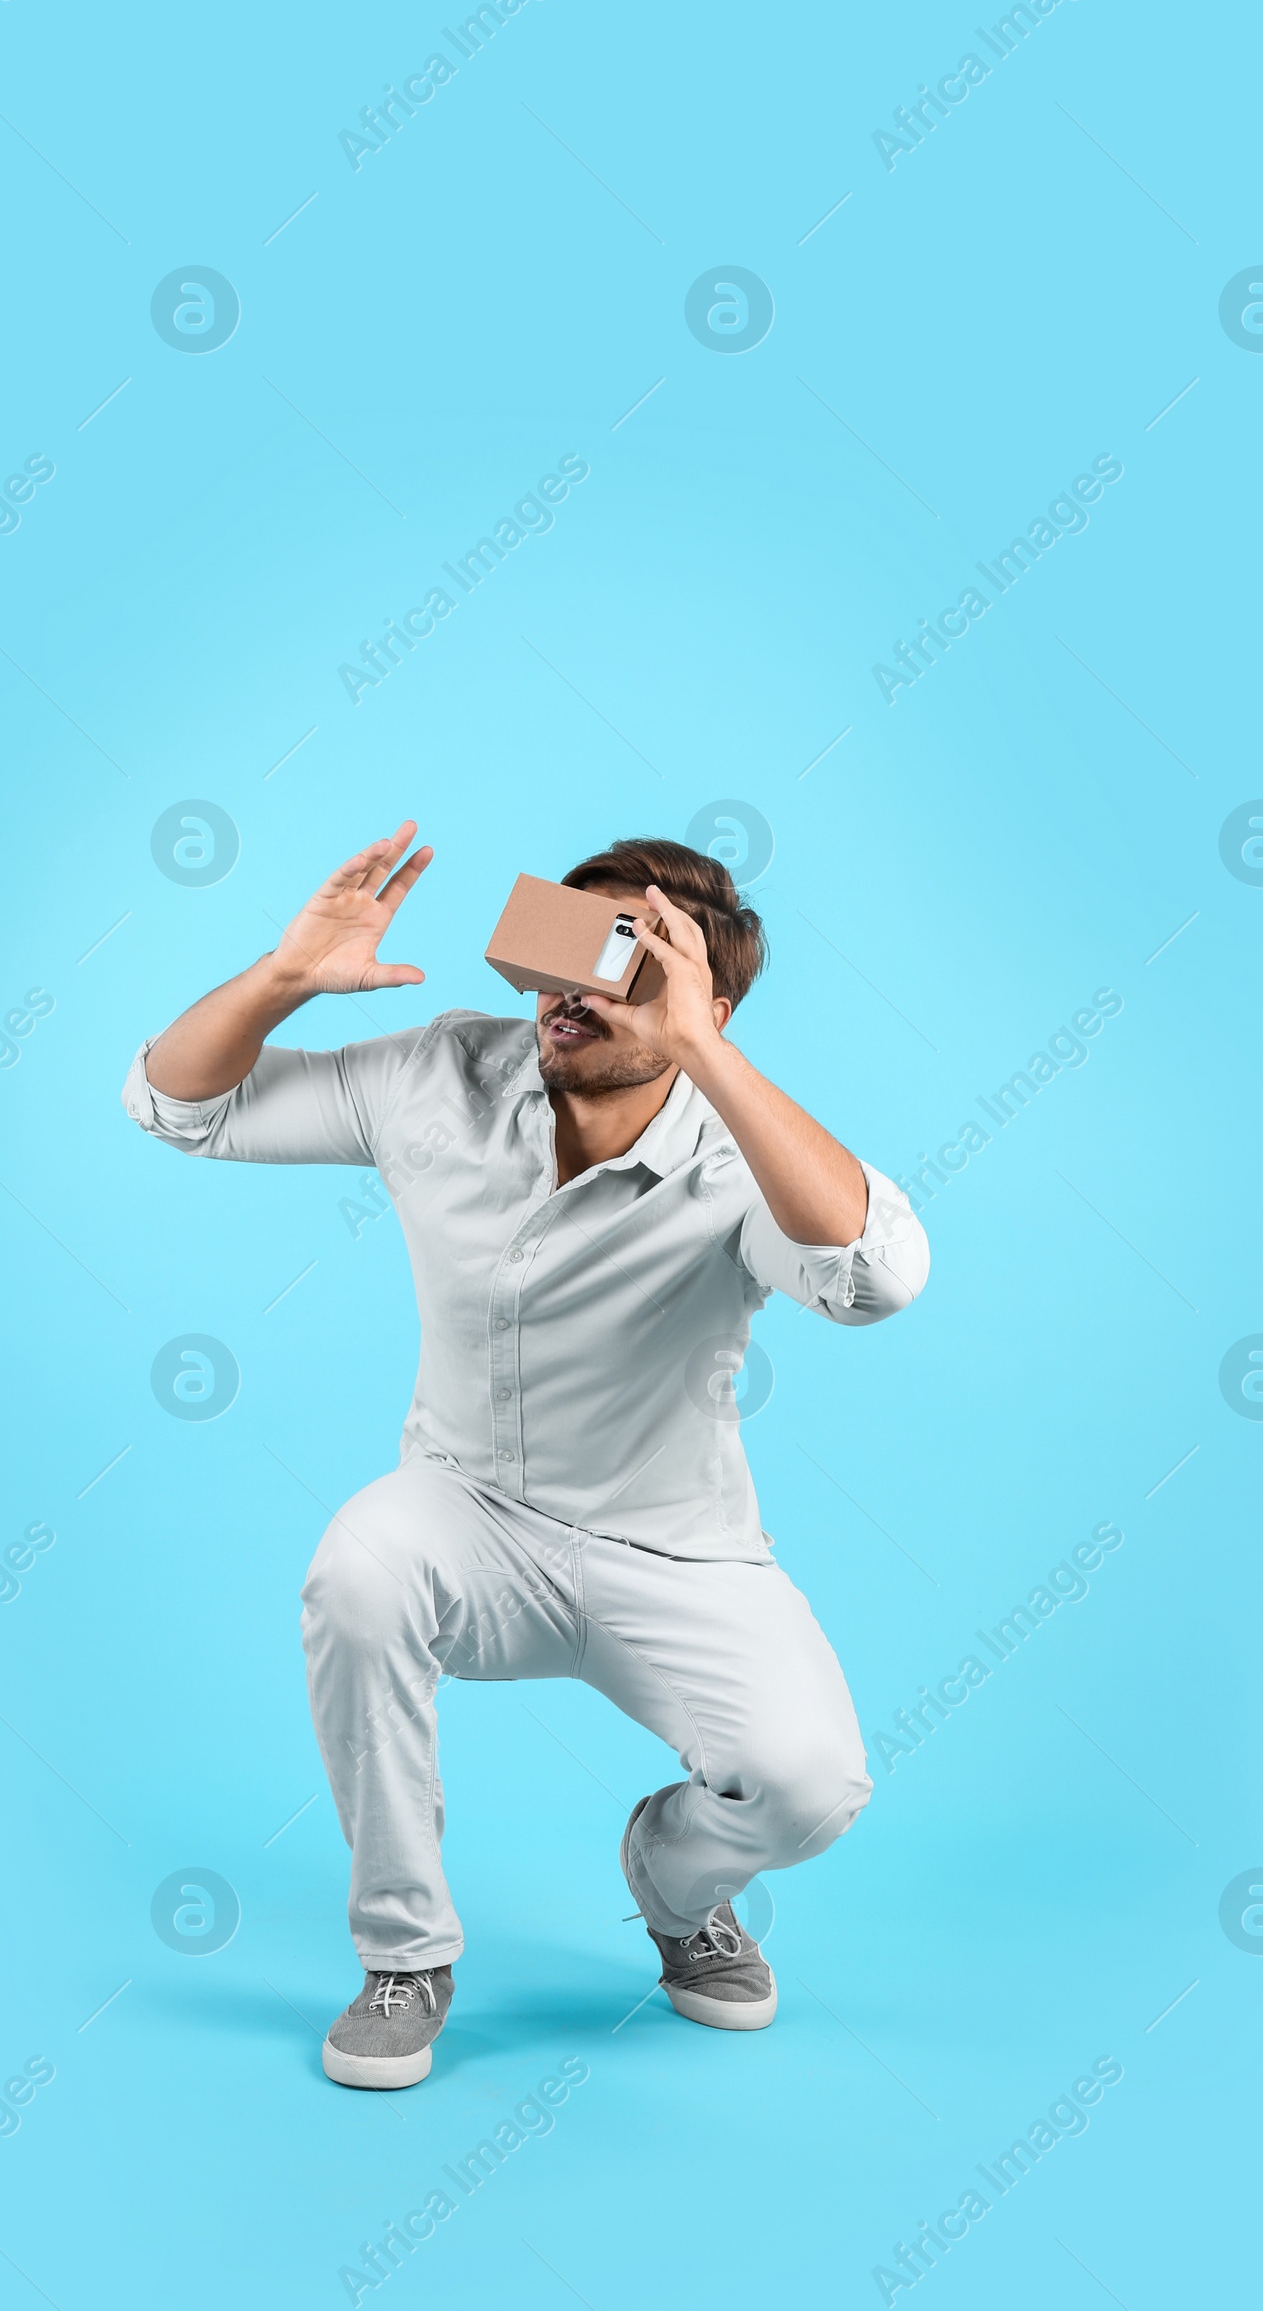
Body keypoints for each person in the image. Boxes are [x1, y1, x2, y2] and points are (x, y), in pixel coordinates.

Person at [123, 822, 928, 2089]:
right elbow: (179, 1106)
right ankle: (406, 1954)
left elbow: (875, 1279)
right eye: (569, 946)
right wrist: (282, 977)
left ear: (699, 997)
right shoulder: (443, 1072)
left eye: (630, 960)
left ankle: (673, 1884)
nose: (577, 988)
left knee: (809, 1786)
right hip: (467, 1516)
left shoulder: (737, 1152)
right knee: (359, 1569)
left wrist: (703, 1049)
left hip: (677, 1550)